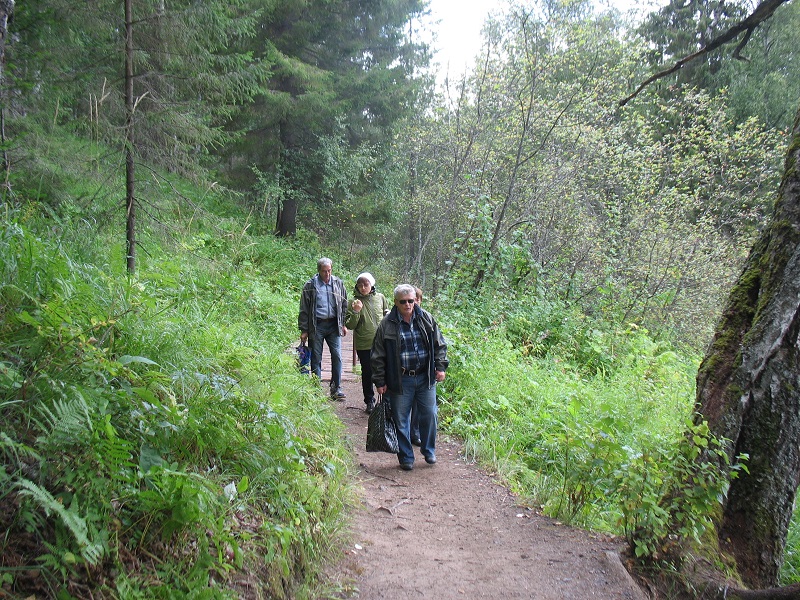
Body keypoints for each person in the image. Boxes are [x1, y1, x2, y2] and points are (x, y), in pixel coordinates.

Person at [371, 284, 448, 471]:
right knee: (401, 419)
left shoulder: (426, 319)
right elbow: (377, 355)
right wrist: (380, 381)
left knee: (430, 414)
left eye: (411, 301)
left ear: (415, 300)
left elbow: (439, 345)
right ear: (396, 302)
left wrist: (440, 367)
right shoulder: (386, 325)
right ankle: (406, 456)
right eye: (403, 301)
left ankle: (429, 450)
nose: (408, 305)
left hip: (425, 377)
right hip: (400, 379)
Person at [298, 257, 348, 399]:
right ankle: (316, 389)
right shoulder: (310, 285)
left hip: (333, 325)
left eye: (329, 271)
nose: (327, 274)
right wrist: (304, 329)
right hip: (317, 325)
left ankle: (336, 387)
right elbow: (304, 309)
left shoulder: (338, 283)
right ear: (319, 271)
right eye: (324, 271)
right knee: (316, 357)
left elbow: (344, 304)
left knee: (337, 356)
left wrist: (343, 323)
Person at [345, 272, 390, 414]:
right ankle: (369, 401)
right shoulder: (353, 302)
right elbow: (350, 325)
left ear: (372, 284)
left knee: (386, 370)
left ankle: (386, 400)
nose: (363, 287)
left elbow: (387, 314)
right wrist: (356, 311)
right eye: (360, 285)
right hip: (364, 343)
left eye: (366, 284)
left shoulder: (380, 297)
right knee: (368, 372)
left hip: (383, 342)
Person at [410, 286, 424, 445]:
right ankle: (406, 433)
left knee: (419, 406)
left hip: (422, 372)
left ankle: (416, 433)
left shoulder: (426, 319)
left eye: (415, 300)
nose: (413, 303)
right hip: (403, 372)